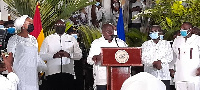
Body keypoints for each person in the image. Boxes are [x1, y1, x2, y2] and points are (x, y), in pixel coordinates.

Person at [39, 19, 82, 90]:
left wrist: (69, 55)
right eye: (58, 25)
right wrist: (53, 56)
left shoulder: (71, 39)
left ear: (65, 27)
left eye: (62, 25)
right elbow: (41, 55)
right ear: (54, 27)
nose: (60, 27)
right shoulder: (48, 39)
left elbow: (79, 55)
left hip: (68, 73)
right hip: (52, 73)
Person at [6, 15, 47, 90]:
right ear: (22, 25)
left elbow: (35, 56)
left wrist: (39, 71)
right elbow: (9, 57)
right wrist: (10, 72)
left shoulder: (33, 39)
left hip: (32, 72)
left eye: (32, 23)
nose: (32, 25)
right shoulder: (14, 39)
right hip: (20, 72)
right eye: (29, 22)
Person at [87, 24, 128, 90]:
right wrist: (96, 58)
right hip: (102, 79)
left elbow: (128, 56)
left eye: (112, 31)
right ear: (102, 32)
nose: (111, 33)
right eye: (108, 31)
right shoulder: (96, 43)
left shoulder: (120, 43)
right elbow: (89, 60)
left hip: (118, 77)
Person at [141, 25, 173, 90]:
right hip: (150, 76)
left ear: (160, 33)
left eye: (155, 31)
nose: (153, 33)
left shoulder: (166, 44)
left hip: (164, 76)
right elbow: (143, 58)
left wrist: (160, 62)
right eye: (151, 31)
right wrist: (153, 63)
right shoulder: (145, 44)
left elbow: (170, 57)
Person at [172, 22, 200, 90]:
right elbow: (174, 55)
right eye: (181, 29)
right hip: (180, 74)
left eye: (184, 29)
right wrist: (171, 68)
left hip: (193, 74)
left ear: (190, 30)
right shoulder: (177, 40)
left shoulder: (198, 39)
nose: (182, 30)